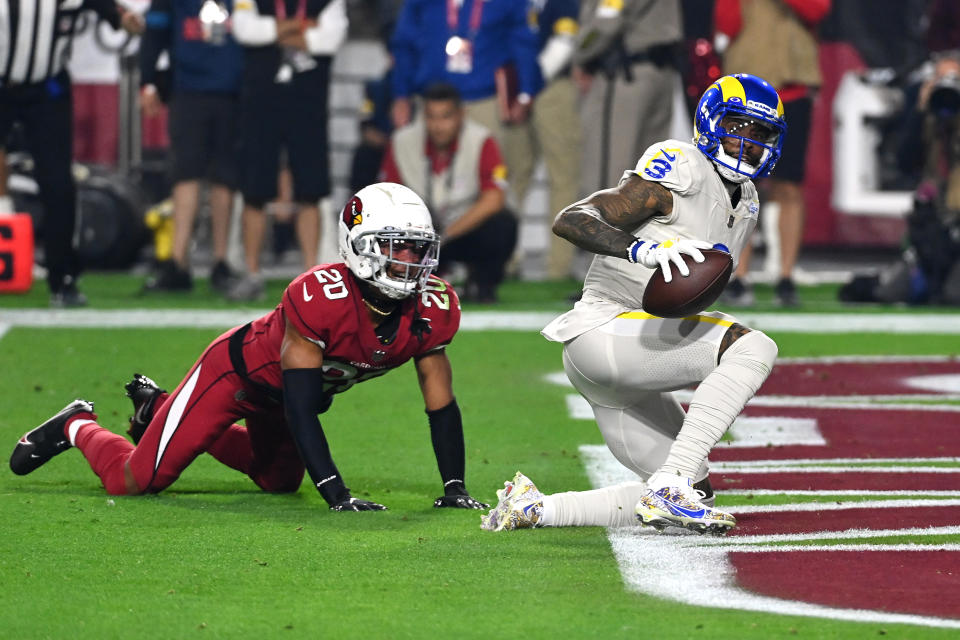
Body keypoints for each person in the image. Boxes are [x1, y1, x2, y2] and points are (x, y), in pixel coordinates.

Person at [10, 183, 488, 512]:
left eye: (417, 248)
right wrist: (337, 494)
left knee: (277, 481)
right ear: (357, 245)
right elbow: (302, 410)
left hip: (282, 399)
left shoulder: (434, 307)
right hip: (235, 376)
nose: (409, 261)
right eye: (394, 246)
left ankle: (157, 408)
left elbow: (441, 405)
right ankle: (76, 424)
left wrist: (455, 487)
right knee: (135, 481)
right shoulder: (321, 297)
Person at [481, 74, 784, 534]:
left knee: (693, 499)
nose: (749, 142)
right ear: (710, 121)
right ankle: (672, 480)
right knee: (752, 347)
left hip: (630, 357)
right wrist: (640, 249)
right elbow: (572, 219)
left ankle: (535, 508)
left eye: (760, 134)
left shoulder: (747, 202)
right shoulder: (682, 166)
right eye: (739, 126)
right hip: (604, 330)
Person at [0, 0, 143, 307]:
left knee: (58, 185)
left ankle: (62, 277)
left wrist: (122, 18)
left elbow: (104, 6)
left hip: (46, 88)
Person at [228, 0, 349, 301]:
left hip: (307, 103)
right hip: (260, 102)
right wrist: (300, 26)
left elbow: (330, 39)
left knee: (311, 189)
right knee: (254, 189)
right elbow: (245, 31)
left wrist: (274, 33)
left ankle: (313, 276)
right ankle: (252, 272)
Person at [715, 0, 830, 307]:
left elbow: (817, 10)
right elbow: (727, 24)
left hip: (792, 87)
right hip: (746, 92)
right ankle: (738, 276)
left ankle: (786, 276)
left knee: (788, 186)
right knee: (739, 182)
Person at [139, 0, 244, 292]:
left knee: (226, 177)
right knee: (185, 174)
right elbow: (154, 34)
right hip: (187, 91)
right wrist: (147, 82)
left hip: (234, 91)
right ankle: (177, 262)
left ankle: (221, 262)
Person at [380, 83, 517, 303]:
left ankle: (482, 284)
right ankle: (406, 283)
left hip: (461, 229)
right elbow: (387, 198)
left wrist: (446, 235)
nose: (438, 126)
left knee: (502, 224)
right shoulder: (401, 142)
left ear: (461, 115)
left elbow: (494, 199)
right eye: (431, 117)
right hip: (419, 232)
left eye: (445, 117)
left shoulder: (482, 140)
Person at [388, 0, 542, 182]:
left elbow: (523, 41)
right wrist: (401, 95)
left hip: (484, 100)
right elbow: (404, 43)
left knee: (490, 174)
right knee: (423, 174)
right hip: (432, 101)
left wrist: (525, 93)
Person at [501, 0, 582, 280]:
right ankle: (503, 259)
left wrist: (528, 85)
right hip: (516, 88)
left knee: (561, 177)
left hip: (549, 88)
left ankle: (557, 266)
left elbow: (564, 41)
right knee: (511, 176)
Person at [574, 0, 682, 198]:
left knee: (609, 184)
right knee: (649, 180)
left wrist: (579, 54)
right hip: (660, 71)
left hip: (626, 78)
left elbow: (605, 22)